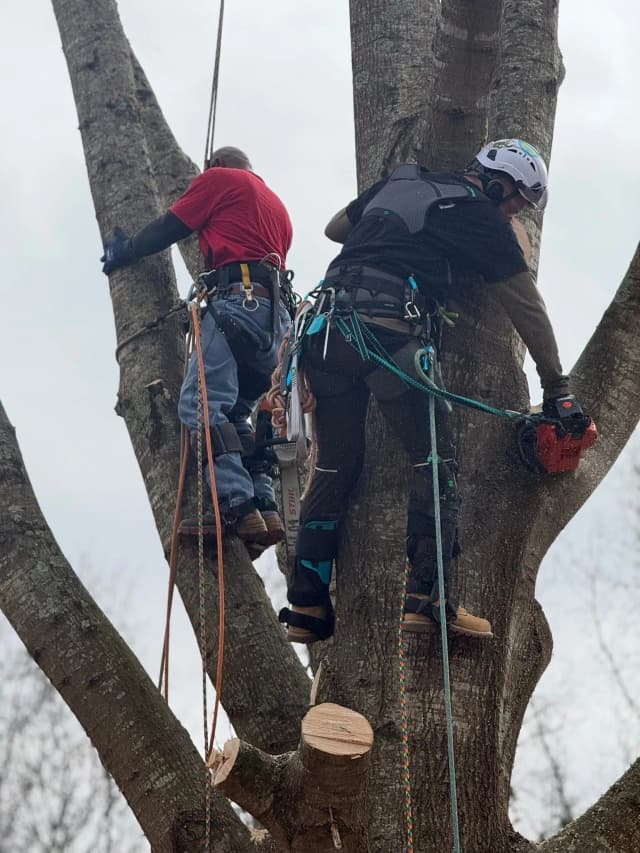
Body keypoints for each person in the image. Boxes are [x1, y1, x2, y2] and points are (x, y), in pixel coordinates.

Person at [277, 138, 577, 643]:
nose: (514, 214)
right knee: (435, 460)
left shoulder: (403, 181)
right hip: (390, 332)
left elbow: (336, 229)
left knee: (335, 465)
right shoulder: (480, 215)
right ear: (497, 185)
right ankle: (428, 601)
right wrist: (557, 386)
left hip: (328, 335)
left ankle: (307, 605)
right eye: (516, 203)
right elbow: (526, 305)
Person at [101, 146, 294, 552]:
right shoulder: (276, 205)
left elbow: (170, 226)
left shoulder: (220, 180)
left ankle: (235, 505)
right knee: (236, 413)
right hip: (275, 324)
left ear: (216, 166)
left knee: (199, 403)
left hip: (238, 305)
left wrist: (128, 250)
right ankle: (264, 504)